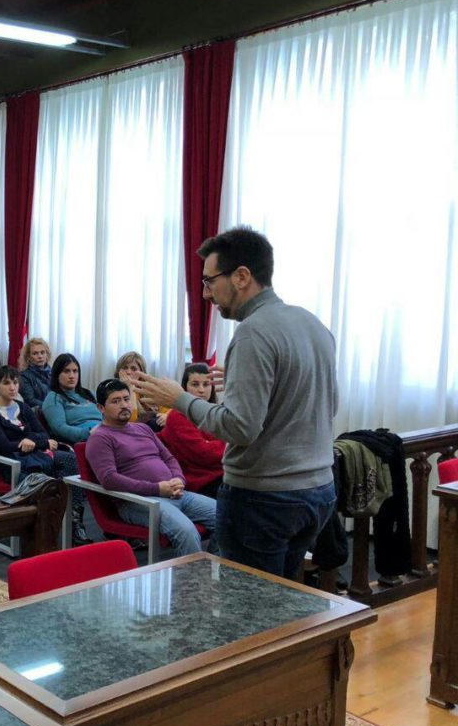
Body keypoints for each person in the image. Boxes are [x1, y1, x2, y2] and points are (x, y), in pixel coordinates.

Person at [133, 227, 338, 579]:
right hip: (317, 491)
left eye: (210, 281)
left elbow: (240, 427)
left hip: (265, 499)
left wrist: (179, 399)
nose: (205, 293)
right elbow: (322, 406)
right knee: (283, 603)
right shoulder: (311, 323)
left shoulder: (254, 332)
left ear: (242, 276)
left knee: (249, 611)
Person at [86, 379, 216, 558]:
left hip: (174, 492)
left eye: (126, 399)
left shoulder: (142, 429)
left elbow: (168, 458)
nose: (124, 405)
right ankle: (192, 584)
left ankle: (213, 569)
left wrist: (179, 479)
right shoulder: (100, 438)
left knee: (226, 518)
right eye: (116, 401)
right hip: (140, 501)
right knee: (187, 531)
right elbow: (109, 479)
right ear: (101, 408)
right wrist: (157, 489)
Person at [0, 366, 91, 546]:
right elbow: (2, 445)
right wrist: (27, 442)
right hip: (11, 462)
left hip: (36, 455)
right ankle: (40, 528)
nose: (12, 387)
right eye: (6, 383)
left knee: (71, 460)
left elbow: (42, 435)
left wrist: (29, 442)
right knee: (41, 479)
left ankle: (73, 518)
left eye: (15, 382)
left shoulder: (22, 407)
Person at [159, 364, 225, 497]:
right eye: (195, 384)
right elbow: (204, 454)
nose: (201, 390)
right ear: (184, 388)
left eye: (206, 384)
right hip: (199, 483)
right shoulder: (177, 415)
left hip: (223, 474)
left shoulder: (215, 412)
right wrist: (231, 444)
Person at [42, 353, 102, 444]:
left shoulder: (89, 393)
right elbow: (59, 428)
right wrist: (89, 433)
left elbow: (109, 414)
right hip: (87, 440)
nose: (72, 376)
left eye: (75, 371)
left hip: (107, 433)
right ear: (57, 374)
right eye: (66, 371)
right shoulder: (53, 397)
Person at [114, 351, 168, 428]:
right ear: (119, 371)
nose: (129, 372)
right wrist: (130, 387)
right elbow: (131, 422)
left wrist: (167, 416)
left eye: (133, 369)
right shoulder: (114, 392)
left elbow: (169, 409)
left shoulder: (148, 389)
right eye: (125, 368)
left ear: (141, 373)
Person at [17, 337, 52, 409]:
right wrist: (52, 407)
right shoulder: (24, 376)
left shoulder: (53, 373)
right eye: (35, 353)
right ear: (28, 357)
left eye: (42, 352)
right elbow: (30, 400)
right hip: (39, 412)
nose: (40, 356)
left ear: (47, 354)